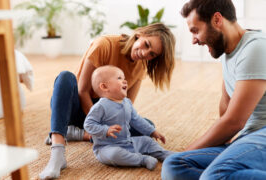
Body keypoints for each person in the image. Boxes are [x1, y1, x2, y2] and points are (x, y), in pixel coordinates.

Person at [39, 23, 176, 179]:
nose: (145, 54)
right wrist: (99, 126)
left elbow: (126, 107)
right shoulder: (104, 44)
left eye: (152, 54)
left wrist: (145, 131)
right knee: (65, 77)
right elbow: (82, 91)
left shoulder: (140, 67)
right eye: (146, 44)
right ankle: (58, 152)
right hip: (75, 107)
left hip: (103, 117)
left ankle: (78, 133)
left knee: (147, 126)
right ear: (140, 34)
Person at [161, 0, 266, 180]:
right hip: (247, 139)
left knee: (215, 175)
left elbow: (234, 122)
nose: (194, 40)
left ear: (217, 19)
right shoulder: (229, 52)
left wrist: (190, 150)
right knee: (174, 164)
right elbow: (226, 108)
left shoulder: (255, 48)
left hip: (262, 135)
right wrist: (219, 148)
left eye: (195, 30)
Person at [84, 65, 173, 170]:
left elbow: (137, 120)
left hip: (128, 142)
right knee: (114, 155)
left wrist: (152, 131)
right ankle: (142, 159)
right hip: (107, 147)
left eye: (124, 78)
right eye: (119, 78)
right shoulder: (100, 106)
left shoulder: (127, 102)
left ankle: (163, 154)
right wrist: (105, 130)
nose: (125, 81)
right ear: (104, 87)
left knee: (147, 141)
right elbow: (88, 125)